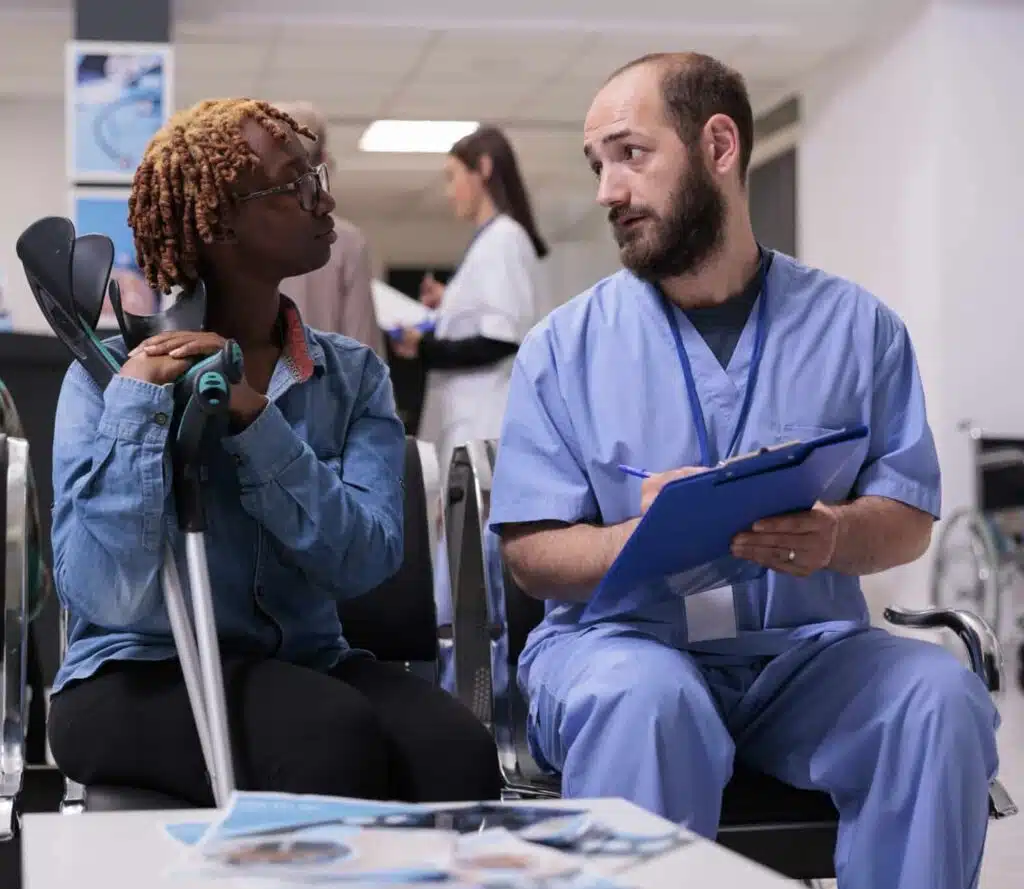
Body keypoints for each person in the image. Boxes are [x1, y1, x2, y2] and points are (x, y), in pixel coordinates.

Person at [487, 53, 1000, 889]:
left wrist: (835, 535)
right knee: (647, 702)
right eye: (597, 165)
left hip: (802, 655)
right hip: (624, 646)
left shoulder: (858, 328)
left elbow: (904, 515)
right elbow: (530, 552)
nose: (606, 191)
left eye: (630, 154)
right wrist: (634, 538)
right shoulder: (563, 348)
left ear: (718, 145)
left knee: (938, 699)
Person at [46, 98, 501, 806]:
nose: (326, 200)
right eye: (296, 185)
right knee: (327, 734)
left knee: (457, 752)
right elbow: (104, 590)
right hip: (137, 669)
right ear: (220, 220)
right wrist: (138, 409)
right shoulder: (106, 376)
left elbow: (369, 558)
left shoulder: (352, 376)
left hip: (306, 658)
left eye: (316, 175)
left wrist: (257, 423)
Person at [391, 125, 548, 478]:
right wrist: (449, 305)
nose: (449, 192)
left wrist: (425, 346)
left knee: (470, 530)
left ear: (484, 169)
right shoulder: (491, 242)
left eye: (452, 177)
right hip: (468, 421)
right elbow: (491, 314)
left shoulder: (504, 240)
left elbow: (502, 339)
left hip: (483, 422)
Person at [277, 101, 386, 358]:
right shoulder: (346, 242)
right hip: (328, 392)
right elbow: (363, 349)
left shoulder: (240, 235)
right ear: (324, 162)